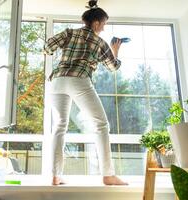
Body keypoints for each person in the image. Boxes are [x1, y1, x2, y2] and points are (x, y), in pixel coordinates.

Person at [44, 0, 127, 186]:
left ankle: (56, 176)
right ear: (96, 23)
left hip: (57, 81)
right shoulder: (100, 42)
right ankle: (108, 175)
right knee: (101, 125)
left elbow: (48, 47)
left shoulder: (69, 32)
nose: (104, 29)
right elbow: (113, 68)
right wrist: (115, 51)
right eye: (103, 24)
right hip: (79, 79)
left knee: (59, 127)